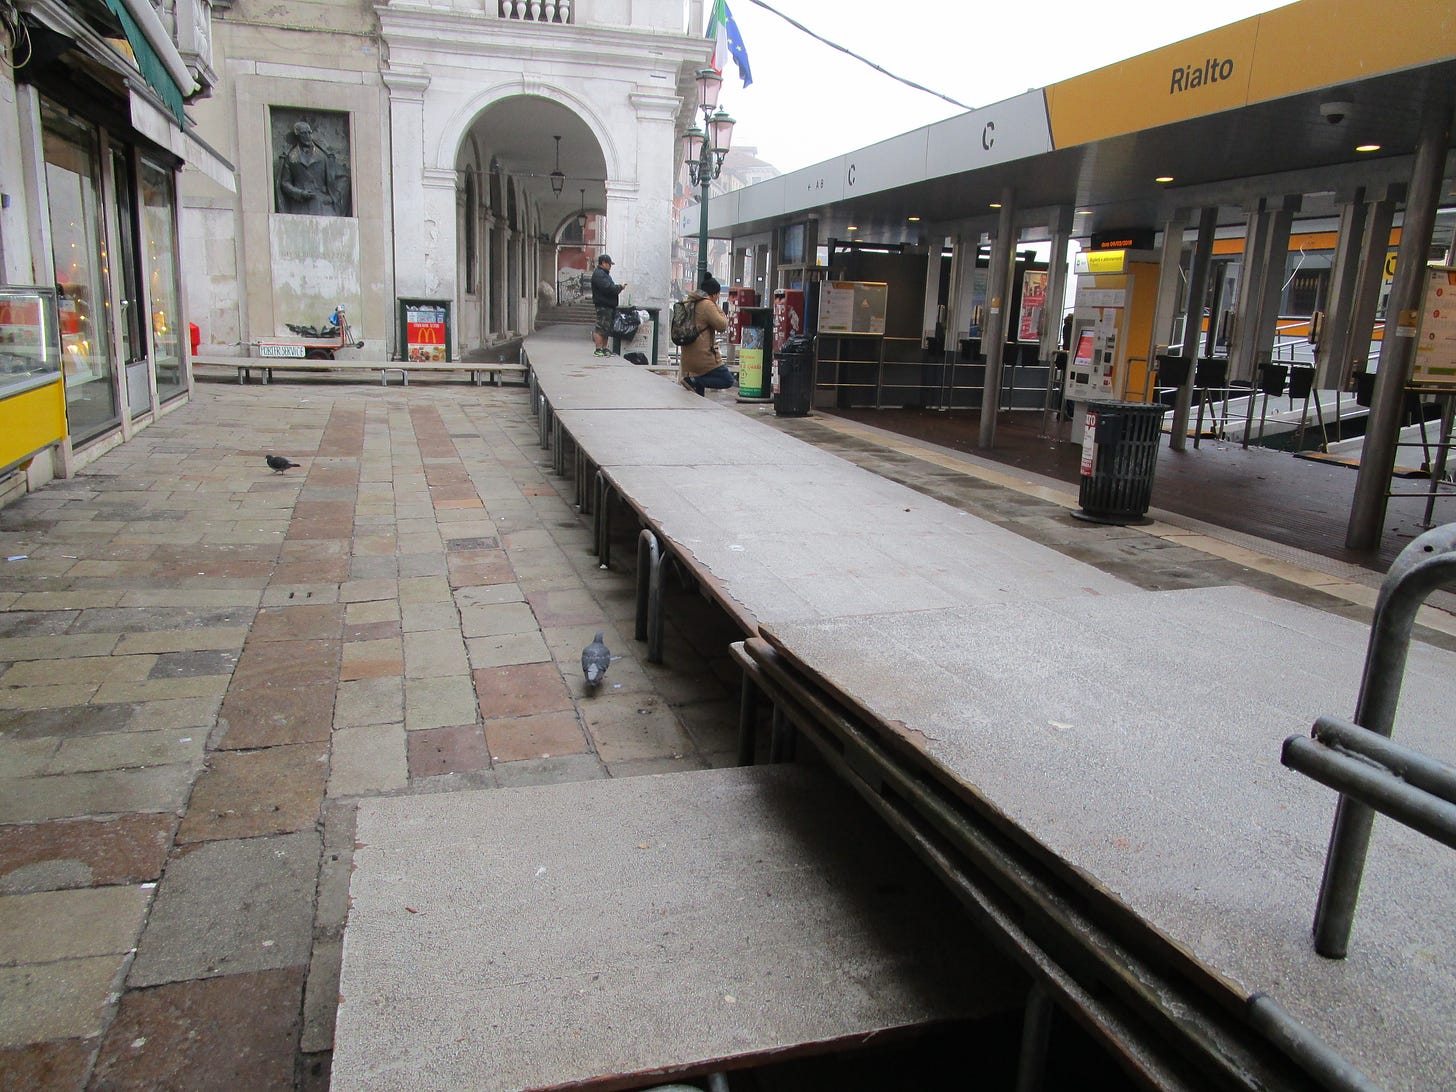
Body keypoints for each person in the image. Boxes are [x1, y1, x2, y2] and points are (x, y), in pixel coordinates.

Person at [275, 122, 350, 216]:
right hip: (299, 206)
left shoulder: (323, 156)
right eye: (304, 133)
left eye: (309, 132)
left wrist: (332, 196)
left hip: (322, 204)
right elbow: (285, 183)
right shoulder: (291, 157)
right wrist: (300, 193)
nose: (307, 136)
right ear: (297, 135)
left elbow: (340, 178)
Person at [678, 274, 732, 396]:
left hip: (688, 356)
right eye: (717, 295)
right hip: (704, 358)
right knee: (727, 379)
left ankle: (694, 382)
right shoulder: (707, 305)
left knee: (698, 396)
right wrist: (718, 308)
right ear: (713, 294)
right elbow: (722, 325)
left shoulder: (690, 302)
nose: (718, 298)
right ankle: (693, 381)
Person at [590, 254, 626, 356]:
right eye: (609, 264)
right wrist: (619, 287)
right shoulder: (599, 274)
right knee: (600, 327)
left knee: (606, 329)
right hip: (603, 305)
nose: (610, 266)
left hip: (608, 305)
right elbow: (608, 288)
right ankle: (598, 349)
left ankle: (604, 348)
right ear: (603, 263)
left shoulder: (604, 274)